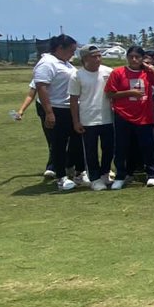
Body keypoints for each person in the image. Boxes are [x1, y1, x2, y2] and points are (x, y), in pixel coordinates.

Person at [105, 46, 154, 189]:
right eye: (131, 56)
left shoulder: (147, 73)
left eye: (137, 57)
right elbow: (110, 93)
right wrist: (129, 93)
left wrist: (148, 66)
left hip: (144, 115)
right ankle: (121, 175)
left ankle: (152, 174)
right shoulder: (118, 72)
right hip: (123, 115)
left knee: (148, 146)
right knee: (121, 147)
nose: (134, 59)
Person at [33, 34, 84, 191]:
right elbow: (41, 87)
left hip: (70, 108)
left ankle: (76, 171)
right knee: (58, 143)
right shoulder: (47, 63)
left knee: (76, 141)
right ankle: (61, 177)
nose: (72, 54)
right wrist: (49, 112)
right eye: (71, 50)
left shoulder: (65, 63)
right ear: (59, 48)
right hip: (55, 108)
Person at [70, 43, 114, 191]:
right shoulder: (77, 75)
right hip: (88, 119)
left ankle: (105, 173)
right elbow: (73, 100)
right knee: (91, 151)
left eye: (99, 55)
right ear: (84, 59)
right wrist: (76, 121)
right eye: (93, 56)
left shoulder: (109, 72)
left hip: (108, 117)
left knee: (108, 148)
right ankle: (94, 178)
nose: (97, 59)